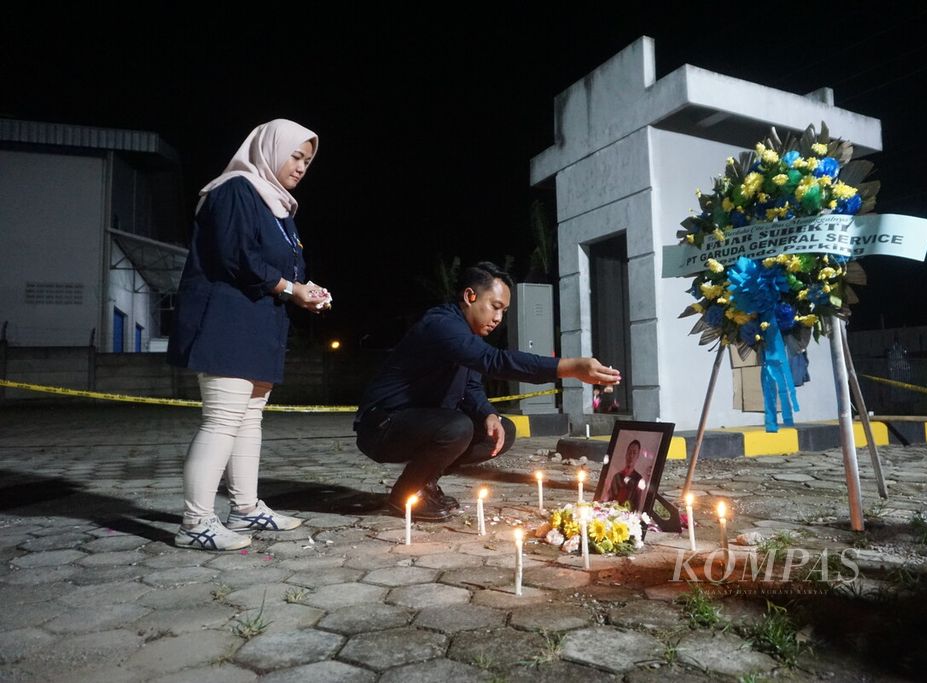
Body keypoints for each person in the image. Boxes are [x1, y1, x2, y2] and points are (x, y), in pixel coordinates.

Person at [167, 119, 330, 551]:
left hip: (260, 324)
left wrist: (306, 291)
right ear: (269, 148)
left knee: (250, 418)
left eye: (308, 161)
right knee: (221, 420)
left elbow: (284, 269)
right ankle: (195, 523)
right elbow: (236, 255)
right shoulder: (236, 188)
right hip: (227, 320)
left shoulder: (280, 206)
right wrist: (291, 289)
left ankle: (245, 509)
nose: (301, 167)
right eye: (295, 155)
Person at [355, 261, 621, 521]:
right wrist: (570, 367)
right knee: (457, 427)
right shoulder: (441, 325)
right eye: (495, 307)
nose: (498, 318)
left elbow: (470, 386)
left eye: (503, 311)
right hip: (382, 425)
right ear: (470, 296)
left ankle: (426, 483)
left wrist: (488, 414)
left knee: (500, 431)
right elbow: (495, 361)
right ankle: (405, 493)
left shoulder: (468, 336)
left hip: (419, 423)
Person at [607, 439, 645, 511]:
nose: (631, 455)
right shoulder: (617, 477)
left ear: (638, 456)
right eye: (629, 452)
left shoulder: (638, 479)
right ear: (626, 454)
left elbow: (636, 504)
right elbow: (610, 499)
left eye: (634, 453)